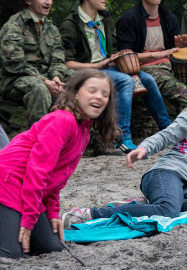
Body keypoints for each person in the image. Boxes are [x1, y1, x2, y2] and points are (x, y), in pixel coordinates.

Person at [63, 66, 187, 227]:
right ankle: (89, 214)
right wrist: (145, 147)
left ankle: (143, 205)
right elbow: (169, 133)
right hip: (167, 173)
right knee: (168, 211)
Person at [0, 69, 118, 258]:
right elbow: (37, 172)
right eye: (92, 90)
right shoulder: (61, 120)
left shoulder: (84, 132)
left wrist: (53, 212)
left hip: (28, 189)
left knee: (51, 247)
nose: (99, 97)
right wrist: (30, 217)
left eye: (105, 94)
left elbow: (57, 178)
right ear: (76, 93)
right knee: (11, 254)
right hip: (8, 182)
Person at [59, 0, 173, 153]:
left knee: (148, 80)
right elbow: (68, 63)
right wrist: (96, 66)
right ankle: (122, 137)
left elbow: (111, 50)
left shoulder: (104, 20)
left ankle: (169, 130)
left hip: (108, 68)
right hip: (86, 72)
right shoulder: (70, 25)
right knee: (125, 81)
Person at [0, 0, 72, 127]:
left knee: (83, 81)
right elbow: (14, 63)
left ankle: (84, 139)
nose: (48, 2)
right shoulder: (14, 25)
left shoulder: (51, 27)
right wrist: (46, 81)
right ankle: (38, 142)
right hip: (15, 80)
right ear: (28, 1)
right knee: (39, 88)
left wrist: (56, 77)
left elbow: (58, 58)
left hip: (47, 76)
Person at [116, 0, 187, 109]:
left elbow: (174, 50)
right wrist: (155, 55)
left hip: (172, 65)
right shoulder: (129, 19)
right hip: (146, 68)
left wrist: (180, 47)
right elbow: (124, 57)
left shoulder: (168, 17)